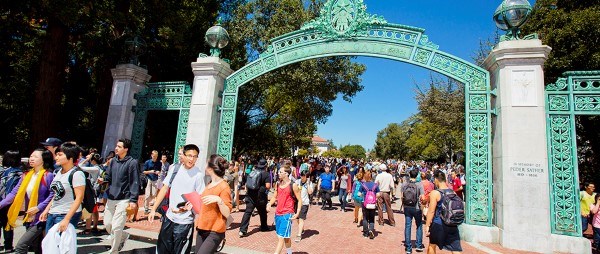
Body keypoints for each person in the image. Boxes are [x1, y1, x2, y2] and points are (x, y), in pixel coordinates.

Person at [147, 144, 205, 254]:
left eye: (195, 156)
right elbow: (164, 189)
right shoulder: (174, 168)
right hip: (169, 218)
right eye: (189, 155)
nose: (192, 159)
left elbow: (199, 198)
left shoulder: (198, 175)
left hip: (184, 222)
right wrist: (153, 209)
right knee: (162, 250)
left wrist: (189, 208)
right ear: (183, 155)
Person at [0, 149, 53, 254]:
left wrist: (39, 207)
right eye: (31, 156)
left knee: (21, 247)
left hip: (41, 217)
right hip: (29, 217)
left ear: (44, 160)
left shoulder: (48, 175)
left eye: (35, 157)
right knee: (38, 247)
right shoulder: (26, 175)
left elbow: (53, 195)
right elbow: (14, 193)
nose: (31, 159)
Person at [98, 139, 140, 253]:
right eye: (117, 146)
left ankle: (114, 250)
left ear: (126, 149)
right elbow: (108, 176)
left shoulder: (132, 163)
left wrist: (133, 200)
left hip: (124, 199)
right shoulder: (113, 161)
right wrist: (103, 180)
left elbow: (134, 181)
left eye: (119, 146)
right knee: (108, 224)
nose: (116, 148)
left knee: (116, 227)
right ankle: (122, 236)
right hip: (111, 196)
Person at [40, 143, 85, 237]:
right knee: (50, 243)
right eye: (56, 155)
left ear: (71, 158)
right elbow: (57, 194)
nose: (56, 157)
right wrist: (46, 210)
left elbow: (79, 198)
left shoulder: (77, 174)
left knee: (59, 245)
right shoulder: (58, 172)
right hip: (53, 212)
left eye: (60, 155)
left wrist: (67, 219)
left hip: (66, 213)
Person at [194, 155, 232, 254]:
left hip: (215, 230)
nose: (205, 167)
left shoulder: (224, 186)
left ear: (210, 168)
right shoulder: (209, 184)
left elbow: (227, 213)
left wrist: (219, 200)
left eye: (206, 164)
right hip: (202, 227)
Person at [267, 165, 302, 254]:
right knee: (285, 236)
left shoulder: (293, 185)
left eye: (280, 172)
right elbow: (274, 197)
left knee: (281, 238)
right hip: (278, 213)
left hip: (287, 214)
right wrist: (269, 204)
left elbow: (299, 199)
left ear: (286, 174)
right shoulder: (278, 184)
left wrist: (297, 213)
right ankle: (289, 252)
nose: (278, 173)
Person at [425, 170, 462, 253]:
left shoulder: (435, 193)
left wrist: (427, 225)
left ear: (436, 179)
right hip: (452, 223)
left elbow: (431, 211)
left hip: (438, 223)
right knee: (455, 249)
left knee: (432, 245)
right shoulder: (452, 192)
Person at [239, 159, 271, 237]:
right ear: (265, 166)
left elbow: (247, 183)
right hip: (260, 196)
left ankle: (242, 230)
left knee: (248, 212)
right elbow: (268, 186)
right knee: (262, 212)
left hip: (250, 195)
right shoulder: (266, 174)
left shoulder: (252, 172)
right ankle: (264, 227)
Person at [0, 150, 23, 252]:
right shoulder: (20, 173)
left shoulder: (1, 171)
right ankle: (8, 246)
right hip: (10, 202)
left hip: (1, 199)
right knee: (8, 224)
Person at [403, 169, 425, 254]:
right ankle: (418, 245)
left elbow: (402, 196)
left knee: (408, 226)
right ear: (417, 176)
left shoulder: (405, 184)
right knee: (419, 225)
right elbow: (422, 197)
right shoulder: (419, 184)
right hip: (416, 207)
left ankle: (408, 247)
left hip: (407, 207)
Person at [80, 153, 103, 235]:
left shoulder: (94, 169)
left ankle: (88, 228)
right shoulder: (100, 168)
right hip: (96, 192)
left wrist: (86, 159)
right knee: (95, 210)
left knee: (88, 209)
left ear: (93, 160)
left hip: (91, 192)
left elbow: (79, 166)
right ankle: (94, 226)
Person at [358, 171, 380, 239]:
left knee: (365, 218)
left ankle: (365, 233)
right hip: (372, 204)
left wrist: (363, 195)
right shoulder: (375, 185)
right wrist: (374, 198)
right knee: (371, 218)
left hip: (365, 203)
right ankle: (371, 229)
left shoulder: (363, 185)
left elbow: (359, 194)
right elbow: (378, 194)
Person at [295, 170, 313, 242]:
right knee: (297, 219)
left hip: (304, 203)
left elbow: (310, 192)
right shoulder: (297, 182)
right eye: (301, 175)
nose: (302, 177)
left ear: (307, 177)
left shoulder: (309, 183)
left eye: (304, 176)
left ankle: (299, 235)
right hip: (297, 203)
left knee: (301, 219)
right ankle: (302, 229)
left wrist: (308, 183)